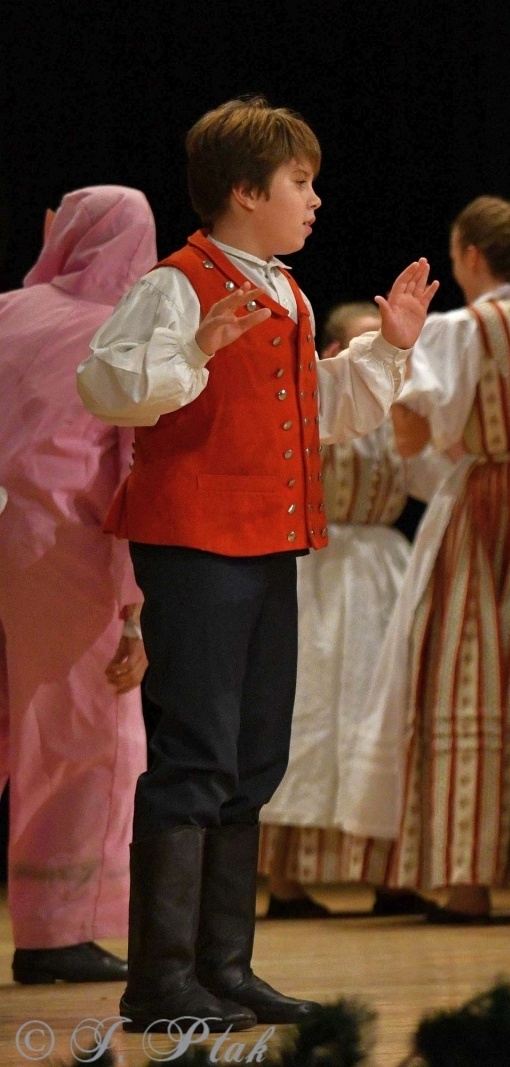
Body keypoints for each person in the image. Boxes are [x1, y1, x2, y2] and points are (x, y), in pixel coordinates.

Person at [78, 96, 437, 1029]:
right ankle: (159, 981)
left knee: (251, 755)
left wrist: (386, 350)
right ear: (245, 190)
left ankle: (222, 966)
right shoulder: (177, 282)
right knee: (195, 754)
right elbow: (110, 385)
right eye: (299, 182)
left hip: (266, 543)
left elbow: (312, 410)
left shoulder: (285, 289)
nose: (314, 200)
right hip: (197, 543)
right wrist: (195, 345)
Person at [377, 195, 510, 925]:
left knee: (471, 684)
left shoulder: (460, 330)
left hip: (487, 510)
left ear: (466, 257)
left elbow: (409, 439)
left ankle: (468, 881)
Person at [0, 186, 154, 984]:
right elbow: (132, 471)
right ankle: (58, 929)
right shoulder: (122, 333)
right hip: (64, 554)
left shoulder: (7, 310)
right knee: (85, 740)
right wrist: (134, 613)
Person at [257, 302, 452, 920]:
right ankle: (285, 881)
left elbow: (430, 479)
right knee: (308, 714)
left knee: (379, 712)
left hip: (381, 569)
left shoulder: (398, 413)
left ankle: (387, 872)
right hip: (316, 565)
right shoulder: (309, 401)